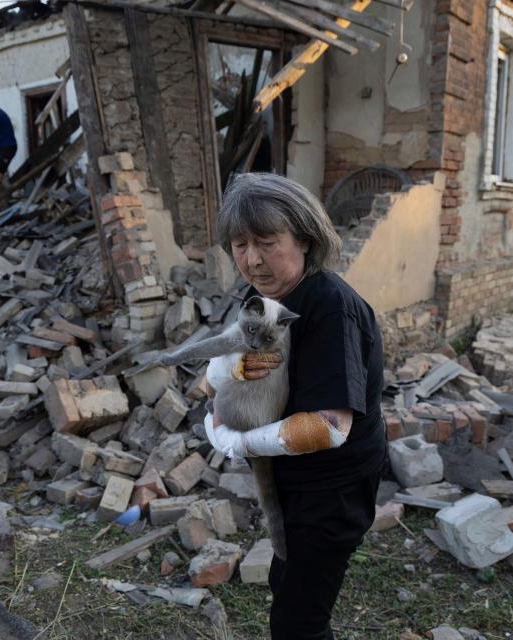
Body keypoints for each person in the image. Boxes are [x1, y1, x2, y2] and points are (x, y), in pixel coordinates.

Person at [203, 173, 387, 639]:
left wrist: (235, 441)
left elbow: (328, 427)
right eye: (240, 245)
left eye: (267, 242)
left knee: (298, 622)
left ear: (304, 237)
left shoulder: (329, 308)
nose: (252, 260)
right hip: (294, 479)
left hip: (331, 487)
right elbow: (223, 374)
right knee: (288, 584)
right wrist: (224, 377)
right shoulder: (264, 298)